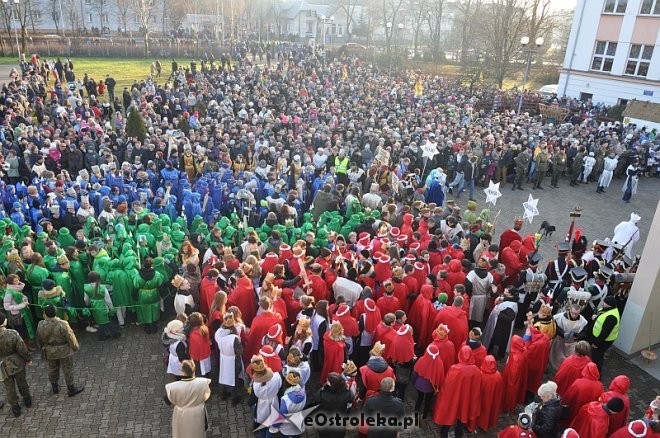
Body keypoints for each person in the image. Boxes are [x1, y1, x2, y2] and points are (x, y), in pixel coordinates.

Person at [433, 345, 482, 438]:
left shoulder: (454, 369)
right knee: (462, 417)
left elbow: (447, 384)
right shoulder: (476, 370)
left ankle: (444, 434)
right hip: (466, 399)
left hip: (454, 398)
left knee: (449, 415)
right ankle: (458, 434)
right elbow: (476, 388)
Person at [36, 304, 85, 397]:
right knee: (67, 369)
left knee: (52, 368)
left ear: (45, 313)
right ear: (56, 312)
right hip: (64, 351)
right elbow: (70, 337)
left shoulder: (40, 324)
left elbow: (39, 338)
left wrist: (42, 347)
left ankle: (55, 387)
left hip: (49, 351)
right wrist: (75, 347)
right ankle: (71, 389)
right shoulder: (63, 324)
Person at [163, 359, 211, 438]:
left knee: (183, 434)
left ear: (182, 372)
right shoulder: (202, 383)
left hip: (182, 415)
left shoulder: (174, 387)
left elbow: (167, 401)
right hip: (198, 413)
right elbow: (206, 397)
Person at [0, 313, 32, 417]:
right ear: (4, 321)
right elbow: (21, 348)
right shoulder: (12, 333)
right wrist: (28, 359)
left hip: (2, 366)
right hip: (16, 362)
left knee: (9, 386)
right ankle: (27, 400)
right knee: (22, 381)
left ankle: (15, 407)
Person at [249, 355, 282, 438]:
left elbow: (252, 400)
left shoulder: (255, 384)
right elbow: (280, 391)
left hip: (262, 407)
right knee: (271, 428)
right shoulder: (277, 377)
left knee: (262, 427)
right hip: (274, 404)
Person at [215, 312, 244, 405]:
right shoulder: (234, 338)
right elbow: (240, 351)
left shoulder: (218, 333)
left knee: (224, 376)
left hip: (223, 358)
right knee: (233, 378)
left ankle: (223, 394)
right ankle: (234, 398)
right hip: (233, 359)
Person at [83, 271, 121, 340]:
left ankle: (104, 335)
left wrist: (88, 304)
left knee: (100, 322)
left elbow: (86, 300)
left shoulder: (86, 288)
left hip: (94, 307)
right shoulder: (102, 288)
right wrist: (111, 308)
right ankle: (112, 334)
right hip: (103, 307)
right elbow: (108, 300)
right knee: (107, 321)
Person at [588, 295, 620, 372]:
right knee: (595, 356)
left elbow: (605, 333)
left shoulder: (612, 317)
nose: (602, 303)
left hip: (602, 342)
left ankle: (596, 372)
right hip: (599, 339)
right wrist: (596, 317)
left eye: (604, 302)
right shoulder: (608, 309)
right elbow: (602, 315)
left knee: (597, 358)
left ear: (609, 304)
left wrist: (596, 343)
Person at [317, 372, 353, 438]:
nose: (326, 381)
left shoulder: (322, 393)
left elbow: (317, 405)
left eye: (328, 380)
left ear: (332, 384)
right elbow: (349, 408)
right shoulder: (348, 393)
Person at [477, 355, 504, 433]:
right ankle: (485, 425)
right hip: (492, 398)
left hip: (482, 397)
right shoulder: (498, 376)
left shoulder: (481, 374)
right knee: (489, 411)